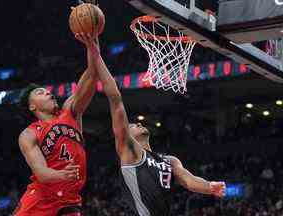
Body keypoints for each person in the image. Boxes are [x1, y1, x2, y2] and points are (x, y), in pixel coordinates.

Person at [76, 34, 226, 216]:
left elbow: (188, 180)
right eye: (132, 125)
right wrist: (94, 50)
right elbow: (115, 98)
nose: (138, 123)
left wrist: (209, 186)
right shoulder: (129, 151)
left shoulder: (170, 160)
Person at [13, 34, 98, 216]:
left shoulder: (71, 111)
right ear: (32, 106)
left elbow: (92, 74)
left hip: (69, 199)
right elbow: (41, 173)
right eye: (40, 92)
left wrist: (92, 42)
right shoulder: (29, 134)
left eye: (48, 91)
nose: (49, 93)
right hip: (41, 199)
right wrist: (61, 175)